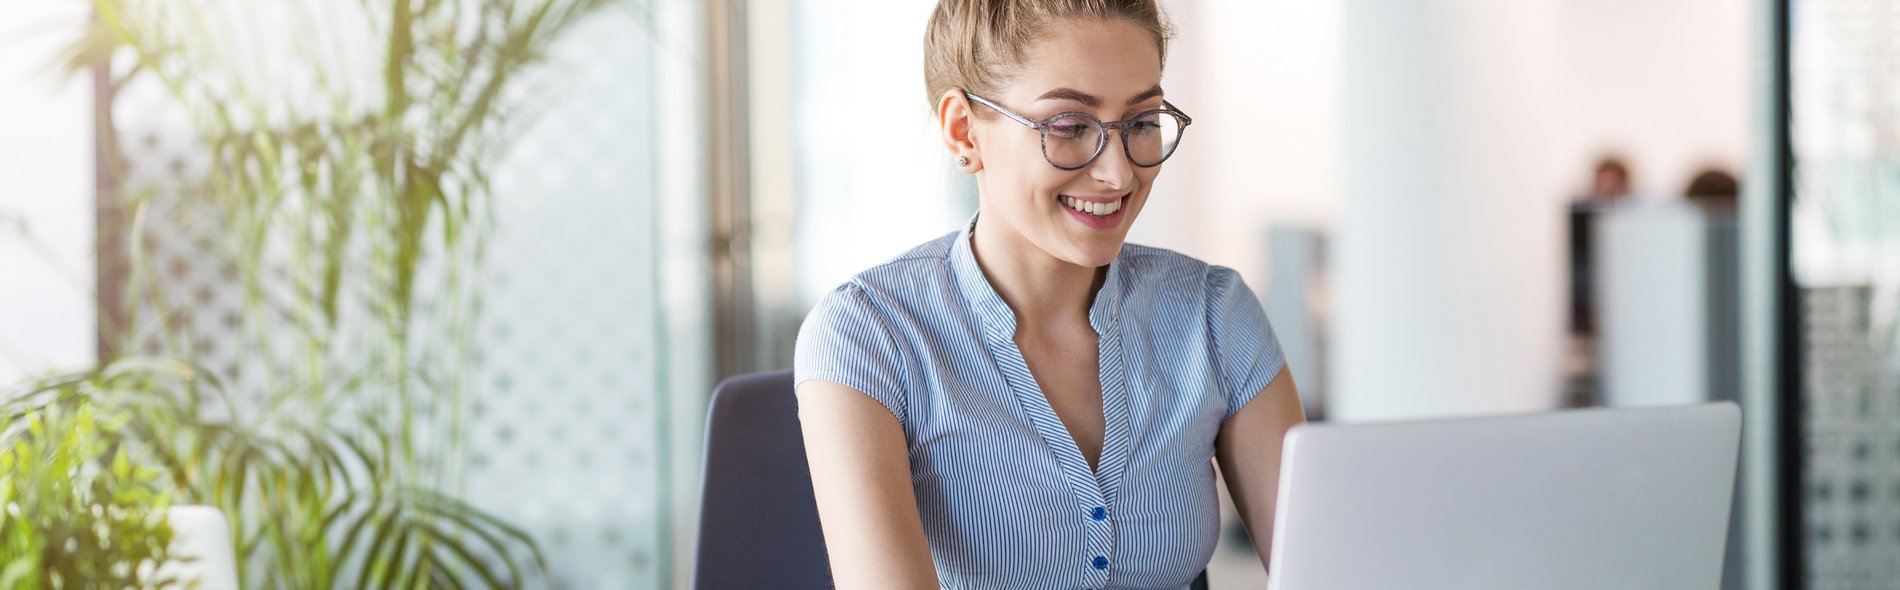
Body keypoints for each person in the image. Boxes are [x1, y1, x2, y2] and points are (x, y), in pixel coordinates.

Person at [792, 1, 1306, 588]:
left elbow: (1330, 570)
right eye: (1069, 126)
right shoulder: (867, 334)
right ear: (964, 130)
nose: (1118, 174)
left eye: (1141, 122)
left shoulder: (1213, 314)